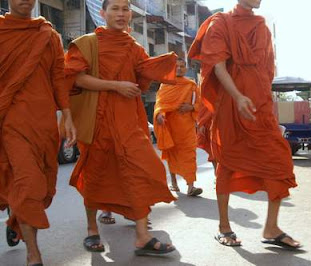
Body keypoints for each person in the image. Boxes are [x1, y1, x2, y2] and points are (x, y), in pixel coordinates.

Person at [64, 0, 176, 256]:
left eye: (125, 9)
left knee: (143, 167)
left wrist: (158, 67)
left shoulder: (134, 47)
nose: (121, 13)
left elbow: (141, 78)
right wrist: (116, 86)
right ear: (102, 13)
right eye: (115, 8)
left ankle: (142, 236)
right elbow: (76, 77)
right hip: (97, 120)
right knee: (96, 173)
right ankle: (92, 230)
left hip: (128, 120)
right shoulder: (87, 43)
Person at [188, 0, 301, 249]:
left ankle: (271, 227)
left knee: (280, 162)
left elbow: (267, 69)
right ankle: (224, 226)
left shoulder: (261, 25)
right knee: (227, 163)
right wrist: (238, 96)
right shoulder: (220, 23)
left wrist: (262, 98)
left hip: (259, 104)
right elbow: (217, 67)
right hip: (230, 103)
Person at [0, 1, 76, 265]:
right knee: (28, 181)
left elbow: (58, 76)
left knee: (39, 184)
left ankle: (16, 220)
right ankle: (34, 253)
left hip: (43, 122)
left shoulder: (48, 34)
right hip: (9, 120)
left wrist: (67, 116)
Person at [154, 58, 203, 196]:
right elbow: (160, 104)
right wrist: (159, 115)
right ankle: (174, 182)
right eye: (176, 66)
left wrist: (191, 107)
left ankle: (191, 186)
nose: (180, 69)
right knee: (172, 155)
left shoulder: (191, 85)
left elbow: (200, 104)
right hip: (171, 127)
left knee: (189, 155)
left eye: (182, 66)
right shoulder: (165, 85)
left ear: (186, 68)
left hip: (187, 128)